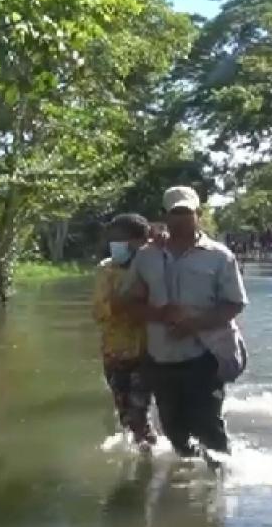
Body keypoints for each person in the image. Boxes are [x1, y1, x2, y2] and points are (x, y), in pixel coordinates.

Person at [124, 186, 248, 458]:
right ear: (164, 215)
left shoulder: (220, 256)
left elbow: (234, 303)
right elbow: (129, 303)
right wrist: (160, 314)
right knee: (173, 430)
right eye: (175, 213)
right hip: (162, 358)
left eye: (186, 212)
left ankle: (224, 479)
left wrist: (194, 324)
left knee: (208, 427)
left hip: (206, 354)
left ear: (198, 214)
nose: (181, 219)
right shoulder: (147, 256)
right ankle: (189, 476)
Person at [92, 214, 157, 448]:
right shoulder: (106, 269)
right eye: (113, 239)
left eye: (122, 239)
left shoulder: (155, 266)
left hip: (147, 353)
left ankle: (148, 452)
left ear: (141, 241)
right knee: (126, 416)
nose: (116, 244)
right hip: (115, 353)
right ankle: (146, 451)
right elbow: (99, 311)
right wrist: (127, 302)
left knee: (139, 410)